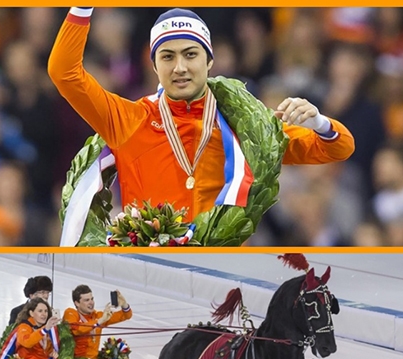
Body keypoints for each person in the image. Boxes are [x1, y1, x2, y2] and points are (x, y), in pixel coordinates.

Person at [48, 7, 355, 246]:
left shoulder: (245, 126)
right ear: (154, 67)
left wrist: (319, 122)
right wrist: (82, 8)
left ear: (210, 61)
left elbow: (339, 147)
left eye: (190, 54)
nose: (179, 67)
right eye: (167, 57)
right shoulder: (128, 120)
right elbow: (64, 73)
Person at [63, 285, 132, 359]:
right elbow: (77, 329)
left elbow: (126, 315)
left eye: (92, 299)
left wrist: (124, 304)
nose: (91, 303)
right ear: (77, 303)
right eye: (86, 300)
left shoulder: (97, 316)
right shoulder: (71, 313)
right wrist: (99, 322)